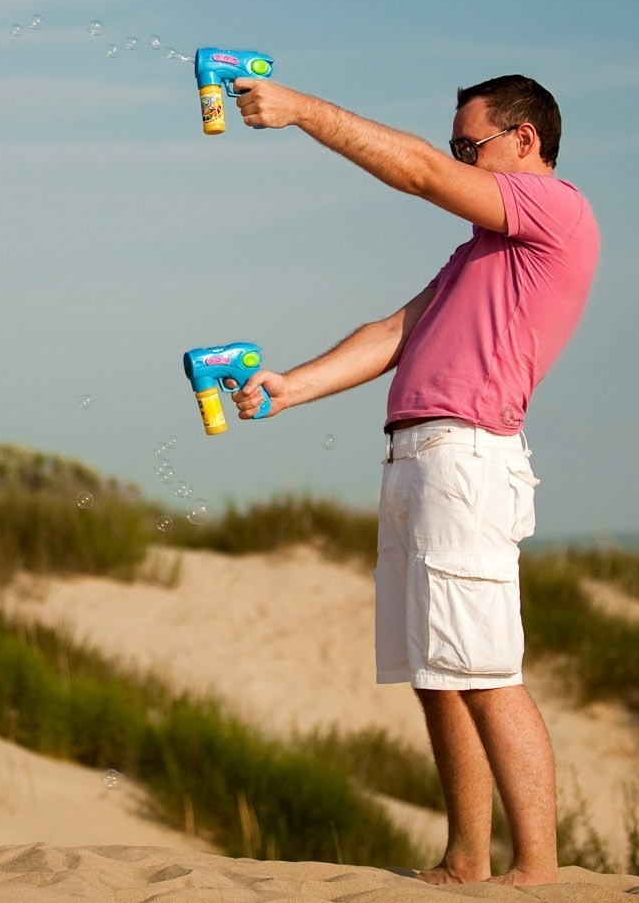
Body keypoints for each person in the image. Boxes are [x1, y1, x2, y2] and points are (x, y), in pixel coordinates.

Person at [229, 72, 598, 887]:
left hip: (467, 457)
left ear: (525, 140)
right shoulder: (480, 251)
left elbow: (422, 171)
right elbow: (395, 331)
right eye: (458, 146)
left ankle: (538, 872)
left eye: (472, 145)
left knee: (487, 673)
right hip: (418, 457)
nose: (459, 160)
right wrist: (292, 386)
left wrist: (302, 110)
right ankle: (466, 859)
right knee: (437, 675)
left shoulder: (557, 207)